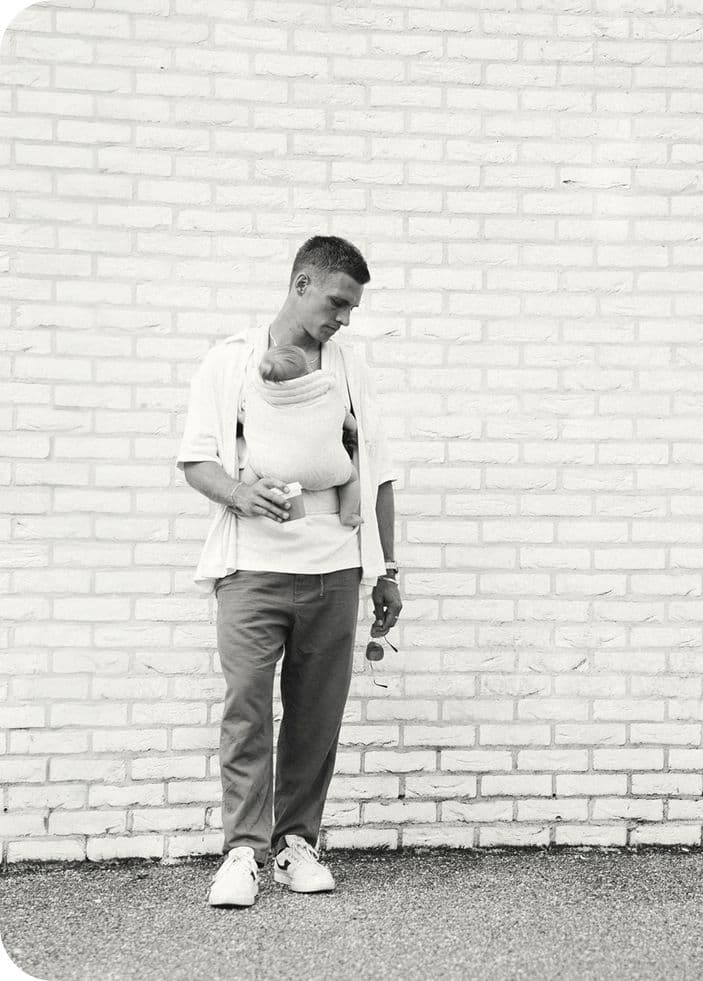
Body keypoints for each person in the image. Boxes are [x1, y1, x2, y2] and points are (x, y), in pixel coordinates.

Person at [176, 236, 403, 908]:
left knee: (315, 714)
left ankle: (295, 843)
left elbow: (381, 469)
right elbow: (196, 459)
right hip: (251, 567)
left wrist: (387, 568)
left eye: (354, 307)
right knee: (246, 709)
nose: (345, 317)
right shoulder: (231, 361)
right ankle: (243, 850)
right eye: (338, 301)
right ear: (302, 282)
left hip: (335, 566)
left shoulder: (351, 364)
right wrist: (241, 493)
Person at [245, 343, 362, 528]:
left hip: (276, 471)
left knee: (253, 466)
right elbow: (343, 415)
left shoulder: (258, 393)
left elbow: (253, 419)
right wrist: (354, 429)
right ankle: (348, 515)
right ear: (307, 369)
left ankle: (245, 503)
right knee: (352, 478)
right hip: (329, 468)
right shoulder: (325, 388)